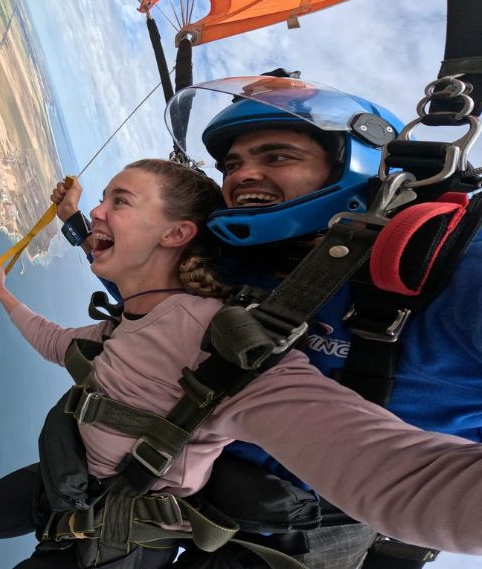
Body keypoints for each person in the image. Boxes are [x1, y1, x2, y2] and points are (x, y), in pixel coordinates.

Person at [0, 158, 482, 569]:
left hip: (124, 528)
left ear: (179, 235)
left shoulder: (220, 341)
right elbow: (67, 329)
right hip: (73, 488)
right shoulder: (132, 317)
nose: (101, 214)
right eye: (231, 164)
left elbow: (399, 479)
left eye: (122, 200)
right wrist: (8, 289)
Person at [52, 76, 482, 569]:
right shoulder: (243, 262)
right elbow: (151, 300)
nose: (243, 176)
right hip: (176, 486)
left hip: (297, 538)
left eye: (277, 157)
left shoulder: (455, 271)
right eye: (233, 164)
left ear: (355, 163)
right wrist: (76, 224)